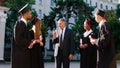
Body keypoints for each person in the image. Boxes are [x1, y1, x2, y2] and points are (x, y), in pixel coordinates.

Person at [12, 4, 35, 68]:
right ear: (26, 14)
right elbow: (18, 39)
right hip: (20, 57)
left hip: (24, 55)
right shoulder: (19, 24)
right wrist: (29, 44)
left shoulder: (24, 25)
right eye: (30, 13)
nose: (31, 15)